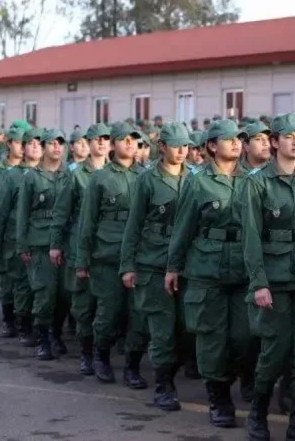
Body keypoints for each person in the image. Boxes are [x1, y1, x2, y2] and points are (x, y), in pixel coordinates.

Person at [166, 119, 252, 429]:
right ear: (212, 146)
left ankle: (242, 379)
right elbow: (183, 227)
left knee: (244, 336)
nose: (236, 144)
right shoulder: (198, 181)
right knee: (211, 337)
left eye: (238, 139)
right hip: (207, 267)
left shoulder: (252, 180)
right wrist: (173, 267)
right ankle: (219, 397)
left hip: (243, 268)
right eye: (228, 139)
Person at [243, 113, 295, 441]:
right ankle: (258, 414)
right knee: (275, 352)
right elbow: (251, 236)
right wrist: (258, 282)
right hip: (274, 279)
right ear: (275, 141)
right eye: (289, 135)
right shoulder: (257, 182)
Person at [119, 122, 194, 412]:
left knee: (187, 329)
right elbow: (133, 225)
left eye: (186, 146)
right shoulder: (147, 180)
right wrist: (128, 265)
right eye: (176, 145)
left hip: (187, 265)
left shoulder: (194, 178)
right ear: (161, 147)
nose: (182, 151)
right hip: (152, 264)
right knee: (160, 329)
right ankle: (163, 385)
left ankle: (170, 373)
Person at [75, 122, 149, 388]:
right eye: (124, 139)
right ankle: (101, 357)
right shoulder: (100, 178)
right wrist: (82, 260)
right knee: (108, 314)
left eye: (133, 139)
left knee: (138, 316)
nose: (130, 143)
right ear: (114, 144)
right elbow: (88, 222)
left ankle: (132, 366)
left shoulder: (146, 176)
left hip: (140, 258)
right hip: (107, 257)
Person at [50, 123, 111, 375]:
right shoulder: (75, 175)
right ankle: (86, 352)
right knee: (84, 304)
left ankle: (101, 353)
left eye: (105, 138)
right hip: (79, 245)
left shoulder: (115, 174)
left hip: (107, 247)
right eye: (95, 139)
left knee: (107, 306)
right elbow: (62, 212)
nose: (100, 142)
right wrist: (56, 244)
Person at [16, 128, 69, 360]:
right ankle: (43, 338)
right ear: (44, 147)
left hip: (66, 241)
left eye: (60, 142)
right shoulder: (32, 177)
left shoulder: (70, 175)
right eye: (51, 143)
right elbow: (22, 213)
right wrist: (22, 245)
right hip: (39, 243)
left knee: (64, 295)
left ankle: (56, 333)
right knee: (44, 294)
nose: (56, 147)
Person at [0, 125, 25, 339]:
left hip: (20, 232)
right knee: (6, 279)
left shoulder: (28, 171)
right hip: (3, 231)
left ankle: (22, 318)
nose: (22, 147)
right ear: (9, 144)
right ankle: (8, 320)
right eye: (18, 142)